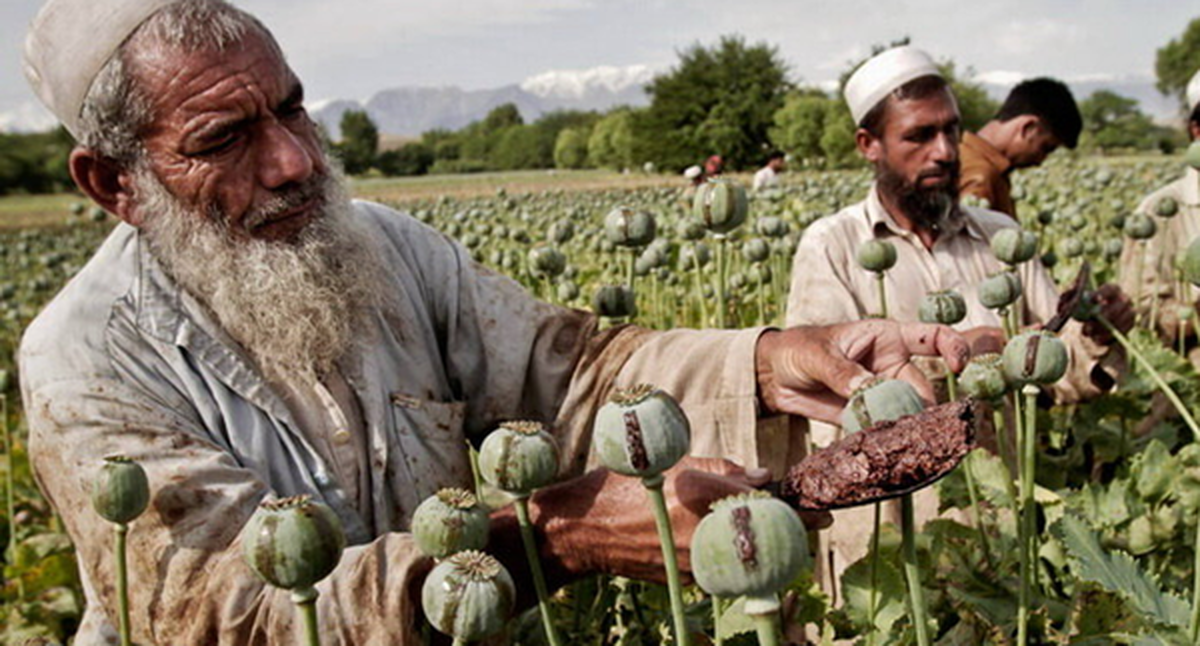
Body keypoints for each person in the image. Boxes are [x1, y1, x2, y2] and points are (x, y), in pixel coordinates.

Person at [17, 2, 973, 643]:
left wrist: (771, 361)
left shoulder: (383, 246)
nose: (293, 163)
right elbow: (233, 616)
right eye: (225, 139)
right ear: (116, 184)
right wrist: (550, 541)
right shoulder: (86, 359)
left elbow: (578, 372)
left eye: (293, 111)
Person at [784, 45, 1132, 599]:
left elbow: (1056, 375)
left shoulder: (1001, 239)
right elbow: (819, 391)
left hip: (996, 532)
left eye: (952, 130)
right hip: (889, 549)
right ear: (868, 145)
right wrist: (958, 355)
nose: (945, 152)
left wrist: (1094, 333)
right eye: (919, 136)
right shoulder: (832, 246)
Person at [1118, 70, 1200, 363]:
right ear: (1196, 131)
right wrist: (1194, 314)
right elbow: (1141, 310)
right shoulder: (1159, 211)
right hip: (1187, 376)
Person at [959, 77, 1082, 218]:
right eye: (1046, 148)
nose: (1040, 162)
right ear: (1028, 128)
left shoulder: (962, 155)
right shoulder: (980, 178)